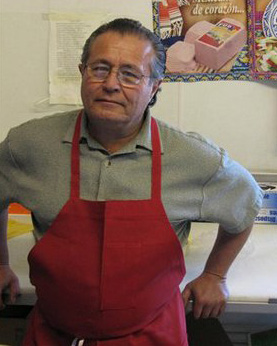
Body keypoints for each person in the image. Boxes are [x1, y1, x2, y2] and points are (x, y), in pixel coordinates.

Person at [0, 18, 263, 346]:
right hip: (54, 331)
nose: (111, 83)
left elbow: (248, 203)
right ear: (82, 73)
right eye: (100, 69)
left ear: (154, 86)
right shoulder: (30, 145)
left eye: (130, 74)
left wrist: (214, 275)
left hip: (151, 333)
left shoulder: (193, 158)